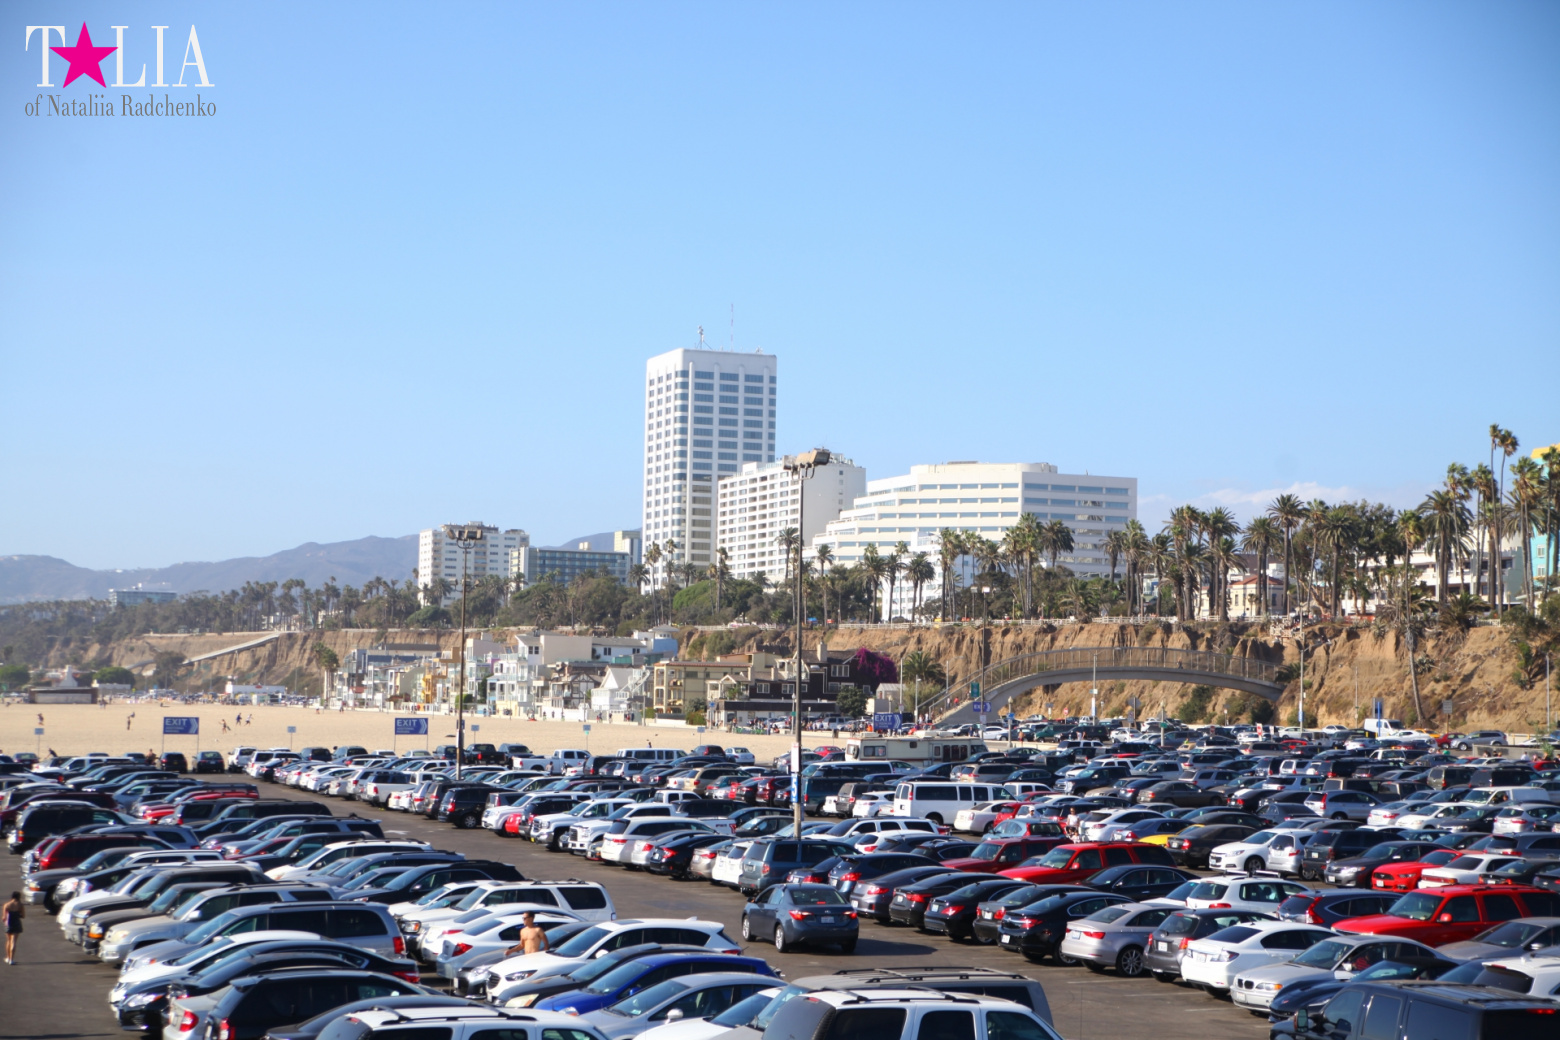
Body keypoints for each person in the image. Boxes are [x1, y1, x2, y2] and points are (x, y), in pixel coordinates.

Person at [4, 890, 23, 965]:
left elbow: (4, 917)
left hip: (9, 924)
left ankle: (8, 958)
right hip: (17, 924)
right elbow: (23, 915)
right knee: (13, 941)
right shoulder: (20, 905)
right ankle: (12, 959)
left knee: (8, 941)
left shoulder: (7, 905)